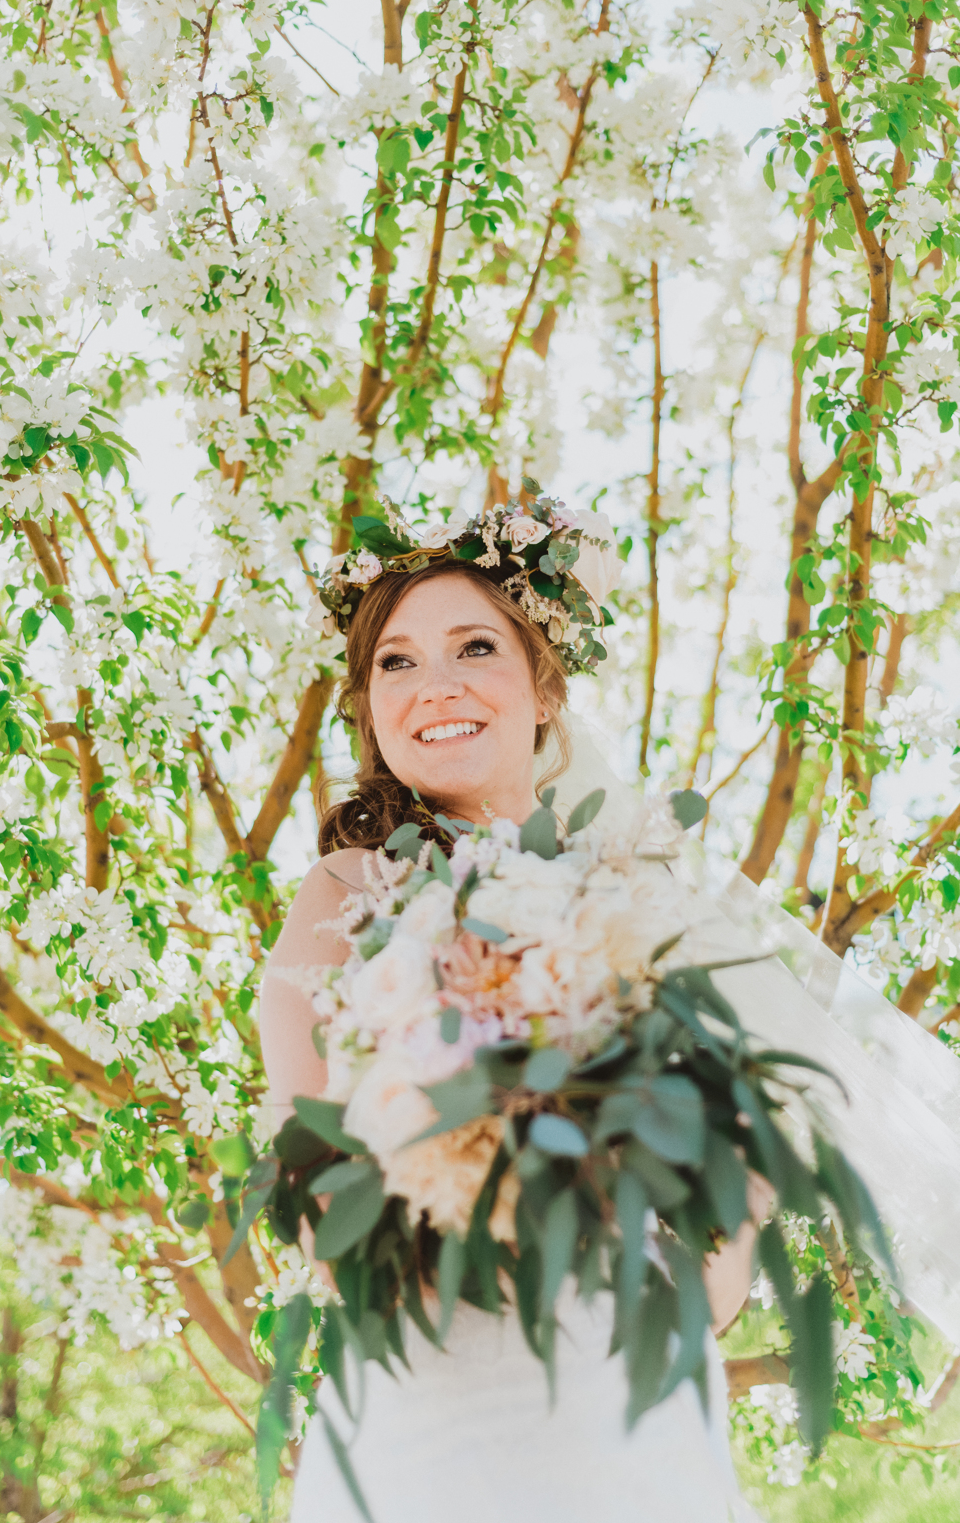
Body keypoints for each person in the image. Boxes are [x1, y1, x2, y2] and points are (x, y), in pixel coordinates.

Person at [260, 549, 768, 1523]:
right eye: (395, 663)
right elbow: (308, 1179)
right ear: (369, 709)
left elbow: (724, 1226)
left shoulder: (649, 904)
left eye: (474, 646)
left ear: (544, 688)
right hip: (431, 1378)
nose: (434, 685)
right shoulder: (345, 892)